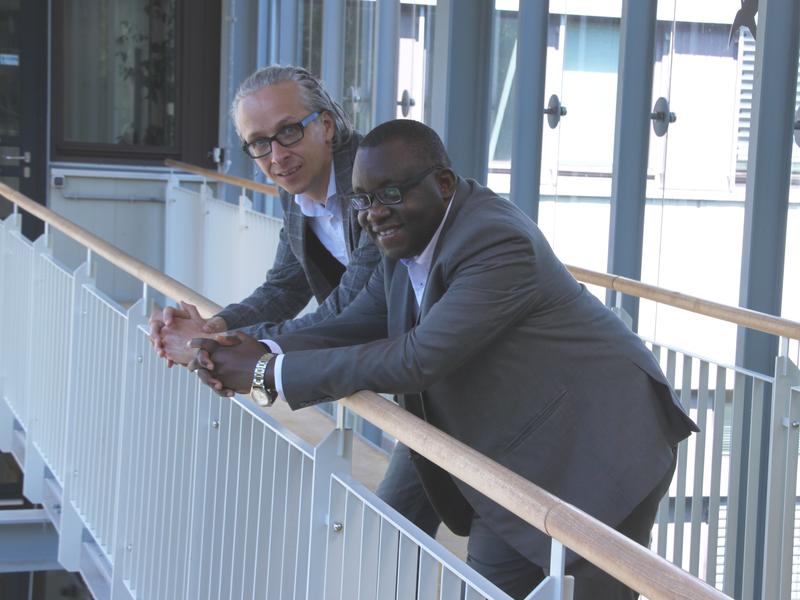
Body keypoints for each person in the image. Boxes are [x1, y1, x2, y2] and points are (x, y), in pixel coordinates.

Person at [188, 119, 699, 599]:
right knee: (484, 581)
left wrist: (266, 374)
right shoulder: (401, 237)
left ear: (446, 183)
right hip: (511, 446)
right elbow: (344, 325)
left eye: (390, 194)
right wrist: (233, 346)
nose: (374, 213)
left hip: (602, 440)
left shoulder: (496, 241)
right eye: (363, 199)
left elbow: (419, 358)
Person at [149, 67, 442, 538]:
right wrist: (216, 325)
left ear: (325, 125)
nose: (277, 155)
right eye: (259, 143)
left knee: (394, 536)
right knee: (397, 536)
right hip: (418, 373)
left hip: (453, 368)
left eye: (288, 131)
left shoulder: (370, 179)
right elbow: (283, 287)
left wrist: (229, 345)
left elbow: (352, 309)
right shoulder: (298, 191)